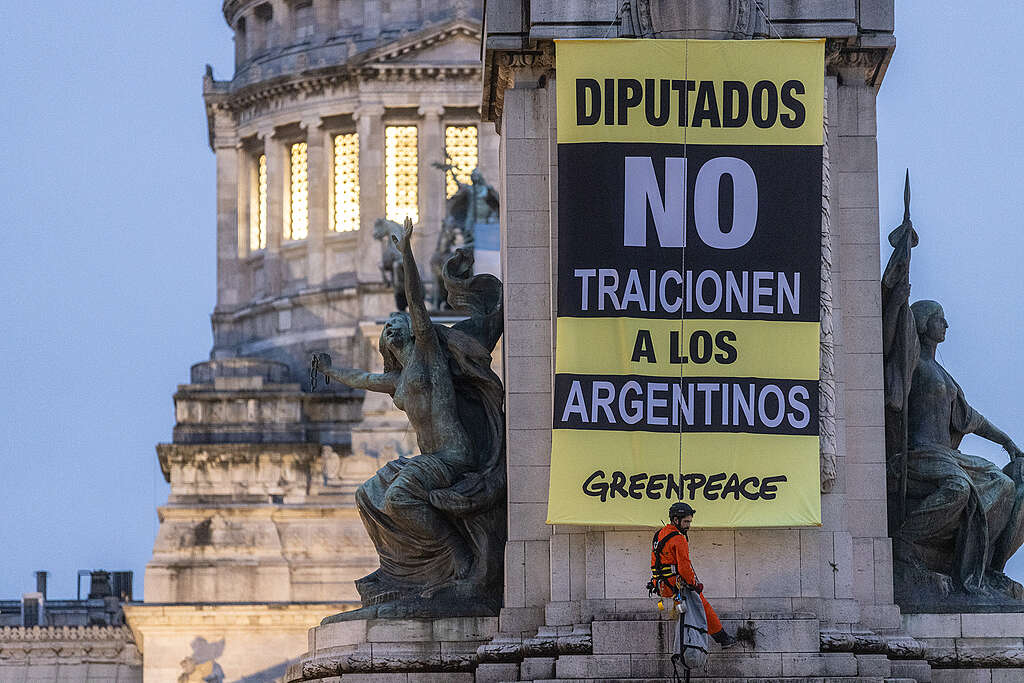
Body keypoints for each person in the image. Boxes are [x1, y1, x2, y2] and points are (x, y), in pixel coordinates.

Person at [310, 218, 506, 619]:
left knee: (399, 497)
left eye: (397, 324)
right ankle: (401, 571)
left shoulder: (428, 355)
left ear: (413, 333)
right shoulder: (396, 380)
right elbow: (362, 378)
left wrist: (406, 255)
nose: (391, 329)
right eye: (387, 328)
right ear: (384, 343)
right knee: (367, 494)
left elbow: (416, 302)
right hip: (430, 459)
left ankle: (457, 557)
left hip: (453, 455)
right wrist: (330, 370)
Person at [651, 502, 738, 648]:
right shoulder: (679, 539)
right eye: (686, 522)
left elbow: (654, 560)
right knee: (702, 606)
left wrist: (657, 581)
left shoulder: (658, 534)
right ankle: (723, 639)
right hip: (677, 584)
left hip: (661, 585)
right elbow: (684, 567)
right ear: (676, 520)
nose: (688, 526)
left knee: (688, 613)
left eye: (690, 522)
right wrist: (695, 584)